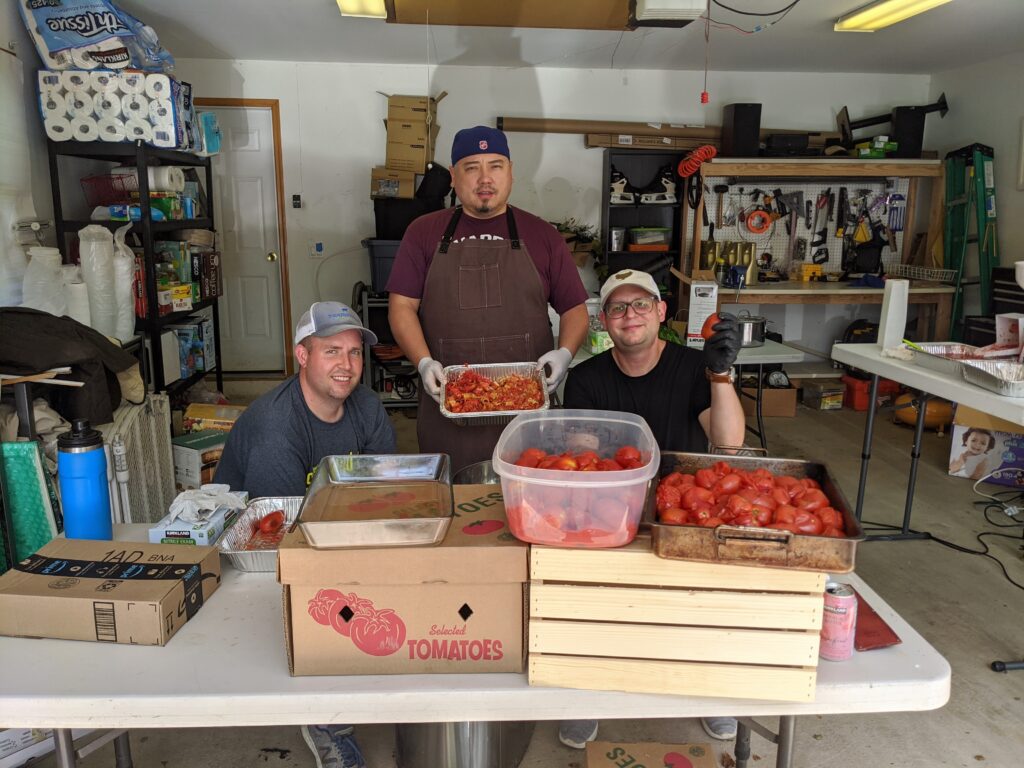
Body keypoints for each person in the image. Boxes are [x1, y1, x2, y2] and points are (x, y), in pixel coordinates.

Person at [558, 269, 745, 749]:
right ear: (604, 321)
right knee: (584, 592)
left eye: (641, 304)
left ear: (661, 312)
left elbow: (728, 442)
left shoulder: (693, 367)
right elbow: (585, 464)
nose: (630, 315)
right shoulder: (585, 380)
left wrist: (720, 374)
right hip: (611, 506)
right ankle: (586, 689)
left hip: (686, 507)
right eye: (617, 308)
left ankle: (712, 690)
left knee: (704, 601)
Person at [215, 300, 396, 768]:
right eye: (331, 351)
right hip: (255, 558)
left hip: (336, 532)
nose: (347, 366)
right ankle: (324, 717)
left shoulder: (368, 407)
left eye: (355, 353)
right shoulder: (278, 427)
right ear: (302, 355)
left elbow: (390, 493)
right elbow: (281, 538)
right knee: (325, 611)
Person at [387, 125, 589, 472]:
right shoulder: (423, 233)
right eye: (471, 167)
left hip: (527, 416)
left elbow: (574, 309)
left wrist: (565, 353)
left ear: (510, 172)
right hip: (447, 411)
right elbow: (401, 306)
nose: (485, 178)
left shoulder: (543, 235)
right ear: (453, 176)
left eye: (495, 165)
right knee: (455, 507)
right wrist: (423, 363)